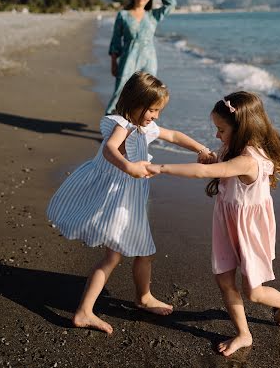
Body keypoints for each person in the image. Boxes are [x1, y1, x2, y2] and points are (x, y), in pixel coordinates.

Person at [47, 71, 209, 334]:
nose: (156, 116)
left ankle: (139, 298)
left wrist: (202, 149)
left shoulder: (146, 126)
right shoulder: (121, 124)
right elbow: (110, 149)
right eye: (153, 109)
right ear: (135, 102)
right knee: (115, 255)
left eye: (159, 110)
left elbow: (175, 135)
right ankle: (88, 311)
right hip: (117, 199)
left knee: (136, 253)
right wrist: (129, 167)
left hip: (130, 200)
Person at [147, 91, 280, 356]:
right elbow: (216, 166)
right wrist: (213, 157)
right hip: (227, 224)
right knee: (224, 280)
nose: (217, 136)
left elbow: (207, 173)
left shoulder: (249, 160)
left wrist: (160, 168)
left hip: (250, 230)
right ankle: (243, 334)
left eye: (221, 129)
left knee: (254, 292)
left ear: (241, 128)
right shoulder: (231, 149)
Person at [106, 0, 176, 114]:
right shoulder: (123, 15)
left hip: (149, 59)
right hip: (128, 58)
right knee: (120, 93)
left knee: (147, 93)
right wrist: (114, 62)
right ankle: (108, 122)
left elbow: (171, 4)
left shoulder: (153, 15)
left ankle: (137, 127)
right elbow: (115, 40)